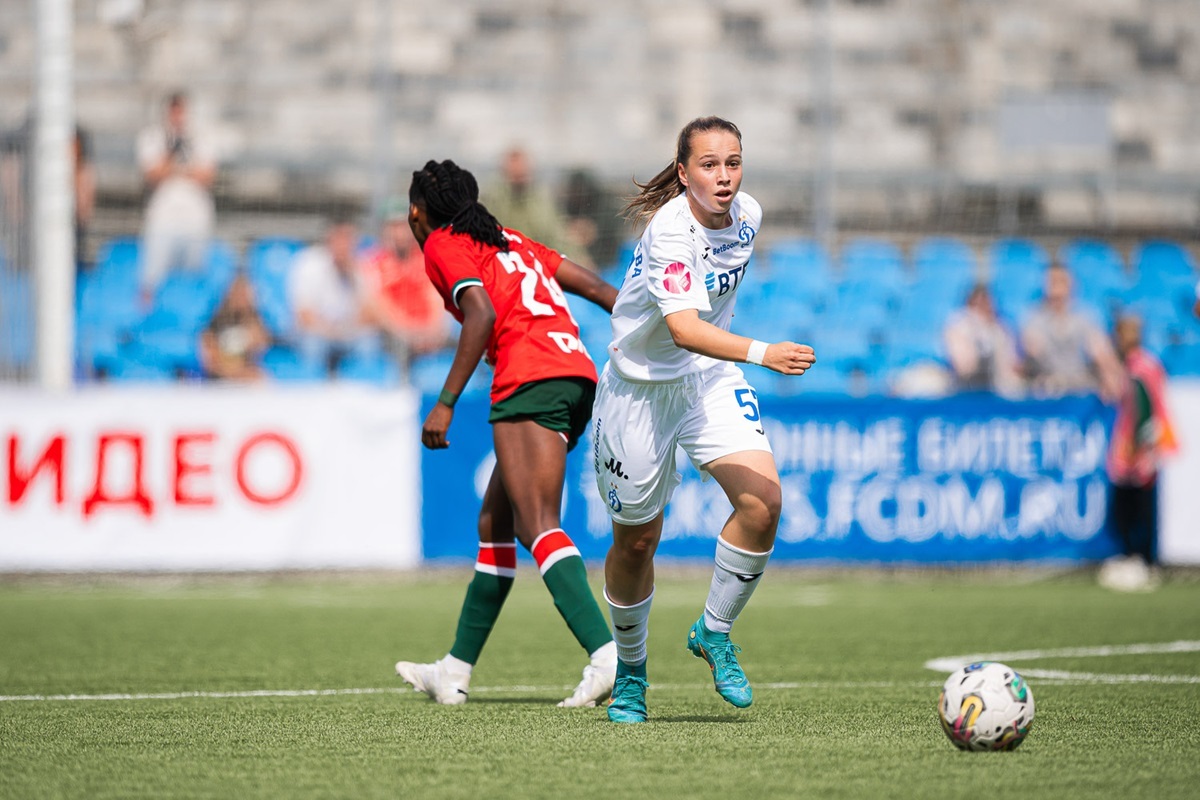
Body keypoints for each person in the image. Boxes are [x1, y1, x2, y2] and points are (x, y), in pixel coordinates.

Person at [592, 116, 816, 724]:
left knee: (764, 504)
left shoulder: (750, 216)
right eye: (710, 164)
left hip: (706, 379)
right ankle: (632, 674)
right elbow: (682, 327)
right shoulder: (670, 230)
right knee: (636, 540)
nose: (723, 176)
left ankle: (713, 632)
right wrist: (763, 354)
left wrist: (741, 359)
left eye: (733, 162)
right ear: (684, 170)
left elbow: (698, 341)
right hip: (639, 390)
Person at [393, 159, 620, 708]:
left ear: (418, 212)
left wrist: (444, 403)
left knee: (538, 524)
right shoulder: (507, 238)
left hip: (530, 376)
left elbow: (480, 314)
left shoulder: (443, 244)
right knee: (495, 525)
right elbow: (593, 286)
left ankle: (608, 656)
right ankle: (454, 669)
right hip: (574, 373)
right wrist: (650, 325)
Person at [1099, 314, 1178, 592]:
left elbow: (1144, 408)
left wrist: (1137, 444)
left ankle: (1142, 559)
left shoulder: (1139, 367)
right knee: (1134, 505)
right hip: (1139, 444)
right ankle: (1139, 558)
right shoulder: (1140, 365)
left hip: (1139, 446)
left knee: (1136, 506)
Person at [136, 91, 217, 303]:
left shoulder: (201, 138)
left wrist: (173, 169)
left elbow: (206, 175)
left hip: (195, 220)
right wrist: (176, 159)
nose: (178, 118)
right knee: (151, 279)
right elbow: (153, 174)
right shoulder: (154, 137)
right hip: (163, 219)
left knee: (192, 278)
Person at [358, 198, 451, 372]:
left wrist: (432, 331)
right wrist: (408, 333)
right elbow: (377, 307)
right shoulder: (372, 263)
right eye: (394, 226)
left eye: (404, 226)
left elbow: (437, 301)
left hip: (425, 334)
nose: (399, 233)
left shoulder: (428, 260)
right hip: (392, 336)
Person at [288, 214, 382, 377]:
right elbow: (304, 316)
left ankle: (363, 392)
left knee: (369, 343)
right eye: (339, 238)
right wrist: (330, 331)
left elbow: (372, 314)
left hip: (350, 332)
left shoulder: (363, 266)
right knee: (313, 345)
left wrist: (353, 276)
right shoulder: (309, 263)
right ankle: (313, 390)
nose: (343, 245)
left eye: (348, 239)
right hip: (318, 331)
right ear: (328, 239)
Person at [1021, 263, 1123, 401]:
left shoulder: (1086, 316)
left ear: (1071, 285)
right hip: (1047, 387)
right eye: (1052, 282)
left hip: (1080, 385)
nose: (1056, 288)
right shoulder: (1034, 317)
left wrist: (1111, 374)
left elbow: (1100, 351)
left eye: (1060, 281)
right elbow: (1032, 349)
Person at [942, 283, 1023, 396]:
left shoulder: (1001, 329)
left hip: (998, 392)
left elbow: (1012, 366)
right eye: (978, 305)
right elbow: (965, 368)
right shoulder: (957, 327)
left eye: (987, 304)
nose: (984, 309)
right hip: (965, 391)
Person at [199, 273, 271, 382]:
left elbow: (261, 345)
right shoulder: (216, 319)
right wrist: (229, 371)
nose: (241, 297)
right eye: (238, 292)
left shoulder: (255, 320)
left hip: (244, 374)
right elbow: (209, 356)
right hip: (218, 376)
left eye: (245, 294)